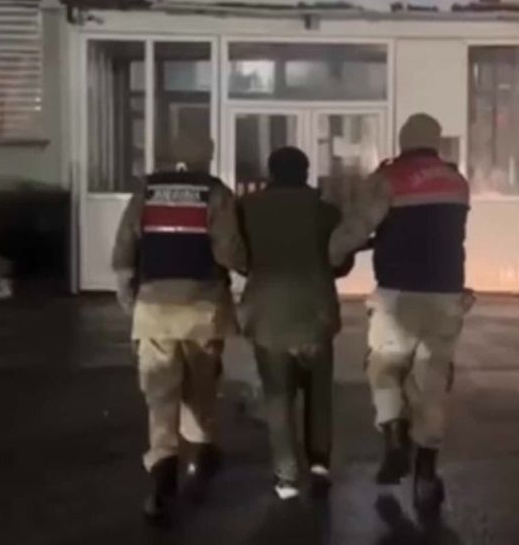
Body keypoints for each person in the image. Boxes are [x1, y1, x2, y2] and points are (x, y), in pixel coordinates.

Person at [329, 113, 473, 517]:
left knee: (385, 367)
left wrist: (330, 255)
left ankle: (394, 436)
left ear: (404, 140)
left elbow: (357, 227)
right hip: (446, 294)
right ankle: (426, 473)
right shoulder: (456, 181)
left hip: (397, 294)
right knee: (432, 381)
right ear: (436, 141)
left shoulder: (389, 178)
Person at [112, 133, 243, 525]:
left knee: (160, 392)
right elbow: (228, 252)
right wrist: (248, 266)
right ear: (208, 156)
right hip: (202, 306)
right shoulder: (215, 193)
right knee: (201, 385)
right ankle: (203, 451)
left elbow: (125, 248)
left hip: (154, 308)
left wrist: (129, 298)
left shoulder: (146, 191)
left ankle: (163, 474)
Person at [236, 147, 350, 501]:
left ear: (271, 173)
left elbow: (237, 254)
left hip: (268, 315)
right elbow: (340, 261)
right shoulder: (325, 211)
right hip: (316, 312)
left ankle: (286, 476)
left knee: (278, 396)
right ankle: (319, 464)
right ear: (305, 172)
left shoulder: (247, 209)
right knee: (319, 393)